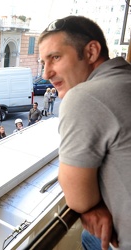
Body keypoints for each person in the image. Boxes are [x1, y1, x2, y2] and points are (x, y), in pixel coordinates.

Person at [39, 15, 131, 249]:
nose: (45, 73)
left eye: (55, 58)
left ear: (91, 52)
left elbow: (78, 198)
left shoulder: (83, 96)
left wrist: (90, 206)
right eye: (43, 62)